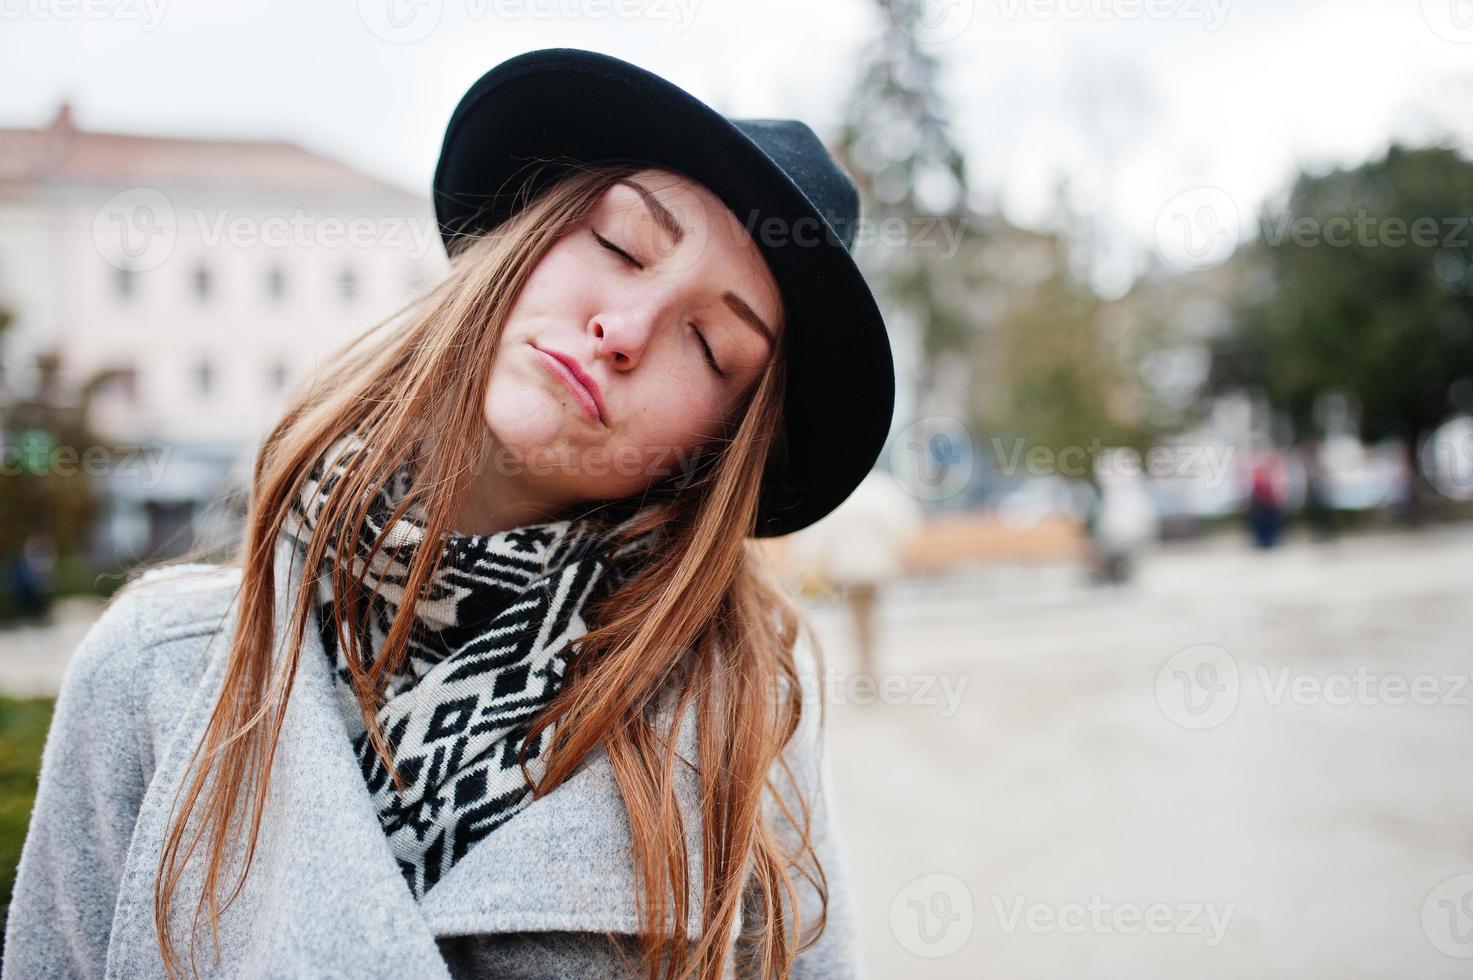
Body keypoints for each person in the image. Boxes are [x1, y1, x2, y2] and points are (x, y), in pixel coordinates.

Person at [3, 49, 896, 980]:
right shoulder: (157, 674)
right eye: (621, 246)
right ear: (524, 240)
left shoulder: (736, 720)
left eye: (709, 346)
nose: (623, 332)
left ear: (715, 446)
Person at [786, 469, 921, 680]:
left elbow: (818, 537)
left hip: (847, 572)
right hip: (875, 570)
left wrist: (808, 563)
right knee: (869, 619)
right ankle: (869, 667)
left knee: (857, 620)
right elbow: (903, 528)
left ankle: (864, 669)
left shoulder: (840, 495)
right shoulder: (883, 491)